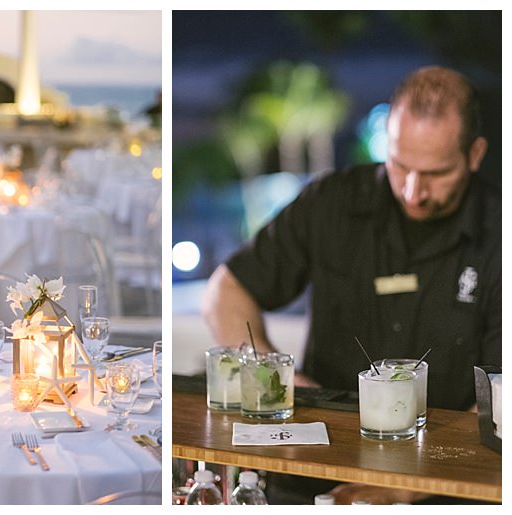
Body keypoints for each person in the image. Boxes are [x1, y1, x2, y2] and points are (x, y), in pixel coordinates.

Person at [202, 66, 501, 504]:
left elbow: (501, 405)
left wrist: (407, 488)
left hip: (446, 486)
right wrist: (273, 378)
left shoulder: (501, 231)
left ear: (475, 155)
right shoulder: (332, 202)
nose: (413, 191)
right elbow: (225, 291)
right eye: (400, 166)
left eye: (436, 174)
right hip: (309, 472)